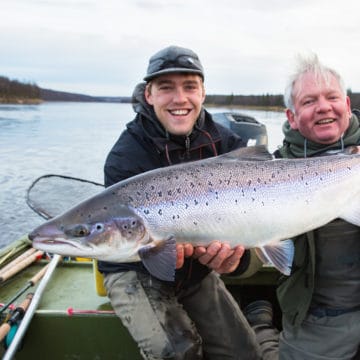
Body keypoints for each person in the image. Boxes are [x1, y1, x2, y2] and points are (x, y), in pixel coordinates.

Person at [99, 45, 262, 360]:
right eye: (166, 88)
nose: (179, 99)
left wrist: (238, 260)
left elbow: (255, 232)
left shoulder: (228, 146)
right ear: (149, 95)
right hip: (133, 268)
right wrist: (162, 253)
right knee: (177, 352)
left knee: (245, 353)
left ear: (202, 92)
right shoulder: (126, 156)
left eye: (190, 86)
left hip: (195, 271)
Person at [244, 54, 360, 360]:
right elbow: (253, 260)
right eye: (309, 101)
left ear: (346, 105)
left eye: (332, 97)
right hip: (318, 319)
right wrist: (234, 261)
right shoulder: (263, 176)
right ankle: (260, 327)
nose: (323, 106)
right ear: (292, 117)